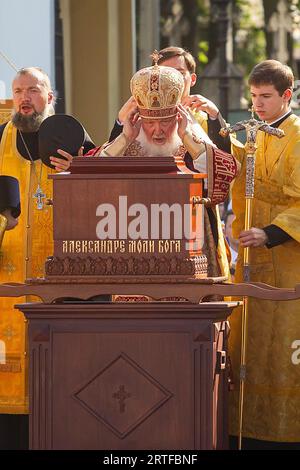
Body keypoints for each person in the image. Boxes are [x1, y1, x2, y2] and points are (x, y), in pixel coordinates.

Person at [0, 67, 94, 449]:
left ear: (50, 97)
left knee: (57, 389)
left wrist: (82, 169)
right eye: (19, 90)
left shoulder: (74, 138)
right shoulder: (1, 139)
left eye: (34, 90)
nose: (25, 97)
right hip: (6, 281)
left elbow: (105, 193)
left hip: (58, 284)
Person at [87, 59, 239, 279]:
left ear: (178, 119)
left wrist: (188, 137)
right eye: (150, 123)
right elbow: (91, 177)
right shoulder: (128, 140)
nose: (157, 131)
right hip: (134, 244)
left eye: (165, 123)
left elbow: (224, 174)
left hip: (188, 247)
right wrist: (125, 138)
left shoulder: (189, 139)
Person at [229, 60, 300, 449]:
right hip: (254, 260)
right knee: (251, 346)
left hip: (288, 262)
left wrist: (270, 232)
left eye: (266, 97)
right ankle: (247, 431)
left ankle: (283, 436)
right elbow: (239, 167)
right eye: (253, 96)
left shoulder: (298, 136)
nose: (257, 104)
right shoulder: (257, 134)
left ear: (287, 96)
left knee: (282, 347)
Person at [109, 46, 231, 154]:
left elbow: (227, 165)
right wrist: (121, 123)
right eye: (165, 73)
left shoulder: (205, 120)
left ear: (192, 79)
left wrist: (215, 117)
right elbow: (104, 168)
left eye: (179, 72)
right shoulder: (136, 121)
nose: (172, 79)